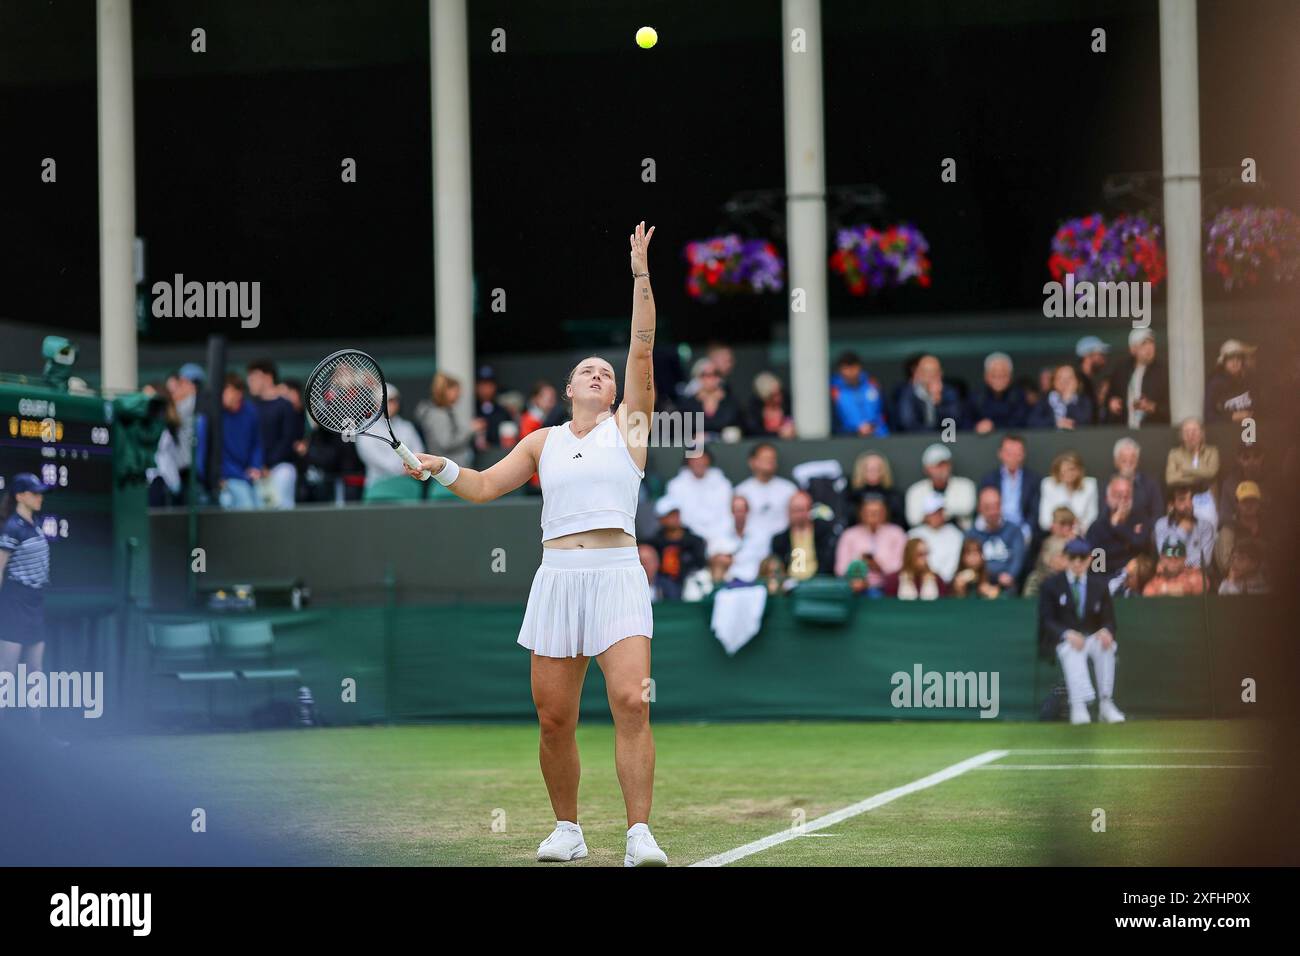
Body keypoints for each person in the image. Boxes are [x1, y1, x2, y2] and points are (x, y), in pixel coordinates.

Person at [404, 221, 666, 867]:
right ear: (569, 390)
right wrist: (439, 467)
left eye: (607, 371)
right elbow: (485, 485)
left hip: (616, 576)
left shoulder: (630, 428)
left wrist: (640, 274)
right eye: (588, 370)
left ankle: (639, 836)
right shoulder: (541, 440)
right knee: (555, 720)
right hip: (556, 579)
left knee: (633, 700)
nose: (601, 373)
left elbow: (641, 348)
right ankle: (568, 830)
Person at [1038, 538, 1125, 724]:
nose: (1077, 562)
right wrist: (1067, 634)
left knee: (1108, 646)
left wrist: (1106, 631)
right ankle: (1078, 705)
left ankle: (1105, 703)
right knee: (1072, 649)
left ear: (1090, 559)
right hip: (1064, 641)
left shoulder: (1099, 585)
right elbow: (1047, 620)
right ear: (1065, 558)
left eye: (1082, 557)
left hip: (1091, 638)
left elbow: (1109, 619)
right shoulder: (1051, 585)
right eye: (1072, 557)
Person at [0, 474, 54, 722]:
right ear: (20, 496)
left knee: (35, 670)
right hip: (14, 603)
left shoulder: (36, 523)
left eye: (40, 492)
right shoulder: (12, 527)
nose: (39, 497)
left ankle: (35, 732)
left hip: (34, 602)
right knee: (6, 673)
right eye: (34, 493)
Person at [196, 374, 264, 509]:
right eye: (227, 391)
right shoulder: (209, 418)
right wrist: (213, 479)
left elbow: (257, 444)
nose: (233, 396)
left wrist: (255, 467)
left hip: (249, 477)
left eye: (232, 391)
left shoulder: (250, 411)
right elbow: (202, 455)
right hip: (227, 479)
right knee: (245, 503)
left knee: (263, 504)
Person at [246, 359, 303, 509]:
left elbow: (288, 439)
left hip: (280, 468)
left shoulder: (285, 406)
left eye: (254, 377)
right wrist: (258, 465)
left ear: (268, 377)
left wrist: (268, 465)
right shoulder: (250, 407)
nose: (250, 382)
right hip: (255, 471)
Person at [663, 445, 733, 547]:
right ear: (688, 461)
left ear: (709, 461)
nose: (699, 462)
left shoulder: (723, 484)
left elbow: (728, 514)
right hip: (688, 540)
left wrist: (716, 537)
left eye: (703, 458)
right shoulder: (675, 486)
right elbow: (678, 519)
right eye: (695, 459)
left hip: (721, 537)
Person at [734, 442, 798, 552]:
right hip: (749, 547)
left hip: (783, 547)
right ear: (752, 462)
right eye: (765, 458)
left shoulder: (789, 489)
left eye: (772, 458)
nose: (769, 461)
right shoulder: (741, 491)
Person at [357, 385, 425, 486]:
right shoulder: (367, 428)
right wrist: (401, 470)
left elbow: (418, 449)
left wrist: (411, 467)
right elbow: (372, 456)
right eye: (389, 401)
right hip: (377, 484)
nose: (393, 404)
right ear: (377, 403)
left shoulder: (407, 427)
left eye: (395, 400)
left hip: (407, 483)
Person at [977, 434, 1040, 545]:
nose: (1013, 457)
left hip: (1022, 531)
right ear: (1000, 454)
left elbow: (1034, 513)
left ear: (1023, 455)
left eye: (1017, 454)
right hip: (995, 528)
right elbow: (983, 510)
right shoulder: (989, 479)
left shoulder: (1033, 480)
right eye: (1009, 453)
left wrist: (1024, 533)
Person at [1085, 475, 1151, 581]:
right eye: (1119, 495)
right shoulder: (1097, 528)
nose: (1123, 500)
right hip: (1107, 581)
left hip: (1136, 580)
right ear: (1107, 499)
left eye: (1127, 495)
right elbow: (1096, 567)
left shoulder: (1140, 520)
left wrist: (1118, 527)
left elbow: (1140, 545)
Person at [834, 493, 906, 590]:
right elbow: (840, 570)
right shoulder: (849, 535)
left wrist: (878, 566)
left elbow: (900, 567)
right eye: (868, 512)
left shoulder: (897, 533)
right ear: (860, 513)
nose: (872, 516)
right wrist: (858, 568)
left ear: (885, 512)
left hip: (888, 589)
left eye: (877, 512)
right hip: (855, 589)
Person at [414, 372, 482, 467]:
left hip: (450, 467)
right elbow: (446, 443)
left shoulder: (445, 411)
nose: (459, 394)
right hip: (445, 471)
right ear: (445, 391)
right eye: (456, 390)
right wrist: (470, 429)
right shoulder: (437, 415)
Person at [965, 487, 1026, 593]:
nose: (993, 511)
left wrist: (1010, 575)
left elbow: (1018, 559)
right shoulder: (972, 534)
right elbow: (969, 562)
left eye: (996, 506)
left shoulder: (1014, 531)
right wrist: (988, 578)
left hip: (1007, 586)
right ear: (980, 508)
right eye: (988, 507)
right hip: (980, 584)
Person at [1104, 328, 1169, 427]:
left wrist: (1152, 407)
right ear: (1133, 349)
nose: (1149, 347)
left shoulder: (1163, 371)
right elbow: (1109, 397)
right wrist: (1112, 403)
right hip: (1125, 431)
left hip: (1154, 432)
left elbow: (1173, 407)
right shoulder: (1121, 370)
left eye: (1151, 343)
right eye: (1144, 344)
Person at [645, 498, 707, 600]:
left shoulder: (694, 541)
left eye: (675, 514)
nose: (674, 518)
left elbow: (700, 564)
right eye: (670, 515)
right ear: (661, 519)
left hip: (689, 582)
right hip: (660, 584)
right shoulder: (654, 543)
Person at [904, 443, 977, 529]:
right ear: (926, 469)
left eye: (945, 464)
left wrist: (938, 514)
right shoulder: (915, 490)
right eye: (937, 465)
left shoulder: (965, 485)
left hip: (959, 536)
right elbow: (913, 519)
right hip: (926, 537)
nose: (942, 469)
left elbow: (967, 508)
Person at [770, 490, 836, 582]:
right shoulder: (779, 540)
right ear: (788, 512)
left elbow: (828, 563)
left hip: (818, 583)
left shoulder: (824, 533)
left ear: (809, 510)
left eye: (801, 510)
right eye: (794, 510)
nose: (798, 515)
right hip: (789, 586)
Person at [1165, 417, 1220, 527]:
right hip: (1182, 499)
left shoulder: (1212, 451)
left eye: (1194, 431)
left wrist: (1184, 470)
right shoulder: (1174, 454)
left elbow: (1211, 473)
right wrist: (1199, 476)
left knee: (1208, 534)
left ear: (1202, 434)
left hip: (1206, 499)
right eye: (1187, 432)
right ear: (1181, 436)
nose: (1191, 434)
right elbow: (1170, 479)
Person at [893, 354, 966, 433]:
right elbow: (907, 423)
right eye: (926, 372)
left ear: (941, 373)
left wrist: (937, 404)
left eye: (935, 372)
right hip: (916, 440)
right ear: (918, 374)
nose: (931, 377)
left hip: (945, 440)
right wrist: (929, 435)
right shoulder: (908, 393)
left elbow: (955, 421)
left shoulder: (948, 392)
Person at [1153, 483, 1216, 570]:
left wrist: (1179, 563)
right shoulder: (1162, 525)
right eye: (1182, 500)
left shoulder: (1205, 527)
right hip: (1170, 577)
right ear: (1172, 504)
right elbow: (1166, 558)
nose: (1189, 504)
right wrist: (1181, 532)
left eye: (1191, 498)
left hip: (1196, 577)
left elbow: (1205, 561)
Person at [679, 357, 743, 440]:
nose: (711, 378)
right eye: (705, 374)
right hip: (696, 449)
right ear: (697, 377)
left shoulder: (731, 402)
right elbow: (678, 431)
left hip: (726, 448)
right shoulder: (688, 404)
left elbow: (742, 427)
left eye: (716, 374)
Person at [906, 492, 964, 583]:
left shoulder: (955, 534)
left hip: (947, 584)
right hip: (919, 582)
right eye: (933, 512)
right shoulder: (913, 534)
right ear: (926, 514)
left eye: (939, 512)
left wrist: (939, 581)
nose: (936, 516)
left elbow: (954, 564)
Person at [1213, 481, 1266, 579]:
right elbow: (1225, 565)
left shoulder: (1268, 527)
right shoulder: (1228, 530)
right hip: (1238, 584)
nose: (1249, 505)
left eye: (1253, 501)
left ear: (1259, 503)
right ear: (1237, 504)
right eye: (1245, 501)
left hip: (1267, 582)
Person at [830, 351, 889, 436]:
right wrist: (854, 430)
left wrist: (873, 426)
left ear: (859, 367)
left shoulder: (872, 385)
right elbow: (836, 421)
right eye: (846, 368)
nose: (850, 372)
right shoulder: (834, 390)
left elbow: (884, 412)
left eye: (853, 367)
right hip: (848, 440)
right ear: (840, 370)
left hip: (878, 436)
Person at [1038, 450, 1098, 534]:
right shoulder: (1048, 484)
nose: (1068, 473)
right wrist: (1062, 529)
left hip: (1081, 535)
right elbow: (1044, 521)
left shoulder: (1090, 485)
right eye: (1063, 470)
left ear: (1079, 470)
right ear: (1057, 471)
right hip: (1056, 535)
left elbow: (1092, 518)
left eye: (1071, 469)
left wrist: (1075, 530)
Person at [1111, 436, 1163, 532]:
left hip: (1142, 537)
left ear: (1137, 461)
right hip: (1113, 535)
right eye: (1124, 460)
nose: (1128, 463)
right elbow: (1103, 517)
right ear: (1116, 462)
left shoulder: (1151, 484)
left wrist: (1144, 528)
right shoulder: (1108, 485)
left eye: (1132, 459)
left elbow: (1158, 515)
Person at [968, 352, 1028, 433]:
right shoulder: (976, 397)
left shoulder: (1019, 396)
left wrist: (994, 426)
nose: (998, 377)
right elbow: (964, 422)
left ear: (1011, 376)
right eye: (994, 374)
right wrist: (977, 426)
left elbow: (1022, 424)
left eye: (1003, 374)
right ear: (986, 376)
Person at [1023, 506, 1077, 597]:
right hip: (1045, 578)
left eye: (1058, 523)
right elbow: (1048, 563)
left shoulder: (1077, 543)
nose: (1052, 525)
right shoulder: (1048, 541)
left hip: (1069, 581)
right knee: (1033, 579)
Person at [1205, 339, 1257, 425]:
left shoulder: (1250, 382)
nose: (1235, 362)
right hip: (1225, 433)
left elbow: (1263, 411)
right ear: (1223, 362)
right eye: (1230, 358)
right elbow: (1208, 416)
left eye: (1238, 358)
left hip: (1250, 433)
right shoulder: (1215, 384)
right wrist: (1231, 417)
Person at [1027, 364, 1093, 430]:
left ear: (1077, 382)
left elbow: (1085, 421)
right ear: (1054, 382)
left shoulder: (1083, 401)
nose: (1065, 382)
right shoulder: (1045, 401)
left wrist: (1068, 400)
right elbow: (1032, 422)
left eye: (1069, 378)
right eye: (1060, 378)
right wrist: (1055, 423)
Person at [848, 451, 904, 526]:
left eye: (877, 468)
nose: (873, 471)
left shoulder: (894, 495)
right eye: (868, 468)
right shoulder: (851, 496)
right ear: (861, 470)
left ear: (884, 470)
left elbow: (899, 521)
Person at [472, 365, 516, 449]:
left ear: (495, 387)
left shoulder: (503, 412)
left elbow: (510, 439)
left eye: (489, 385)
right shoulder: (470, 410)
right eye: (482, 385)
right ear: (476, 387)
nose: (486, 389)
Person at [744, 371, 796, 438]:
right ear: (764, 396)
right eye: (773, 395)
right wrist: (778, 434)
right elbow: (754, 432)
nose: (779, 398)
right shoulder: (754, 409)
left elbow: (790, 420)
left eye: (779, 392)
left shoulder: (786, 403)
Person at [1073, 335, 1111, 422]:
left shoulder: (1090, 381)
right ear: (1088, 356)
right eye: (1100, 354)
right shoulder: (1077, 381)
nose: (1104, 358)